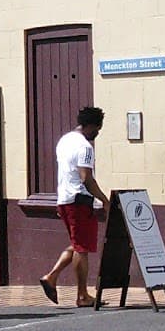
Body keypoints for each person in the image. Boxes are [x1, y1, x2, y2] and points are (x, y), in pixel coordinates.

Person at [41, 106, 107, 307]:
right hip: (79, 201)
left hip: (64, 199)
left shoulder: (64, 140)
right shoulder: (85, 146)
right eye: (98, 127)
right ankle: (82, 295)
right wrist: (105, 200)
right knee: (82, 248)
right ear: (91, 125)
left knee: (79, 244)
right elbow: (86, 178)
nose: (98, 132)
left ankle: (51, 277)